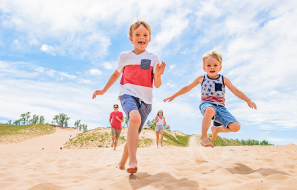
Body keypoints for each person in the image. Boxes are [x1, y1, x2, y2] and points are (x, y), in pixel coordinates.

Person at [92, 20, 166, 173]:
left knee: (134, 134)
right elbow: (115, 74)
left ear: (149, 39)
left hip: (146, 101)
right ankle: (133, 160)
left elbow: (157, 84)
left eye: (145, 35)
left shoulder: (153, 57)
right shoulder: (124, 56)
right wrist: (104, 90)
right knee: (134, 118)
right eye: (137, 34)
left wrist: (158, 75)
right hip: (127, 95)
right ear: (131, 39)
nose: (141, 37)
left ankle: (122, 162)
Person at [164, 50, 257, 147]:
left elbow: (236, 91)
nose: (212, 67)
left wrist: (248, 100)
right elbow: (187, 88)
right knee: (210, 109)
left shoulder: (224, 79)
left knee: (236, 127)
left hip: (221, 108)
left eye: (215, 65)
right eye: (208, 65)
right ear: (204, 68)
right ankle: (204, 138)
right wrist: (174, 95)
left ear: (220, 67)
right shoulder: (201, 78)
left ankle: (216, 129)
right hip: (206, 104)